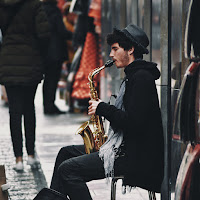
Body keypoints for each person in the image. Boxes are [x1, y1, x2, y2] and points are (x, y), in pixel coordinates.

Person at [34, 23, 164, 200]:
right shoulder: (133, 76)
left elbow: (134, 123)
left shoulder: (141, 79)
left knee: (68, 169)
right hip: (123, 149)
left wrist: (103, 108)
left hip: (134, 157)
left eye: (115, 49)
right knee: (65, 153)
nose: (110, 54)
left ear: (131, 49)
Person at [0, 0, 50, 171]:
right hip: (30, 60)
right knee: (29, 108)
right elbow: (44, 33)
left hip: (8, 60)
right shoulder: (35, 5)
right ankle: (30, 155)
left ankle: (18, 159)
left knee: (14, 111)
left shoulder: (3, 5)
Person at [42, 0, 72, 115]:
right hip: (56, 51)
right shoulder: (54, 11)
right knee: (53, 79)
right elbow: (61, 31)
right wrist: (73, 36)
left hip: (45, 52)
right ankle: (50, 106)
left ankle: (48, 105)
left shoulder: (41, 10)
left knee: (48, 80)